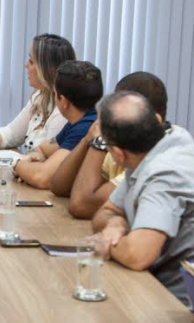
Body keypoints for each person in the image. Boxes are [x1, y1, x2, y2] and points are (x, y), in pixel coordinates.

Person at [92, 92, 194, 305]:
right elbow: (106, 212)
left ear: (117, 154)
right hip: (161, 286)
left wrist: (106, 241)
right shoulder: (157, 146)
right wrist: (116, 223)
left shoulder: (165, 172)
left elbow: (138, 254)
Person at [50, 71, 169, 218]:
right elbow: (59, 186)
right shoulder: (125, 144)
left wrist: (99, 140)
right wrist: (87, 139)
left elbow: (81, 205)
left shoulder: (160, 156)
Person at [11, 60, 102, 188]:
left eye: (54, 93)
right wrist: (34, 160)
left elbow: (41, 177)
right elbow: (42, 149)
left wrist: (17, 164)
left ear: (63, 101)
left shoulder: (86, 128)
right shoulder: (79, 120)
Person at [0, 33, 75, 151]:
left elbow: (44, 159)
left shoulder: (63, 112)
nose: (26, 65)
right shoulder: (40, 96)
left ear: (46, 69)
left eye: (31, 61)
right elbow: (12, 133)